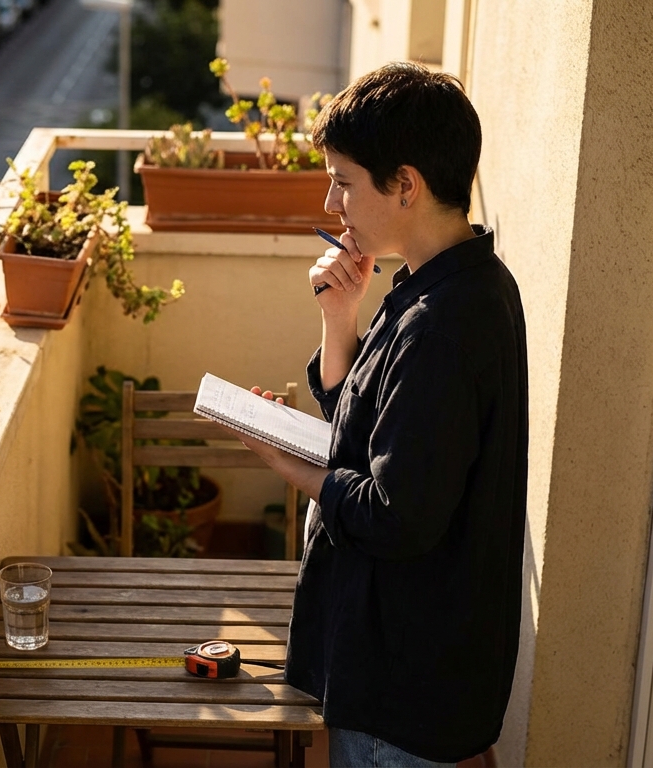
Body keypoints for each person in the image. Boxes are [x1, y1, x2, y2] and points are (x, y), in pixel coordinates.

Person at [236, 62, 528, 767]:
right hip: (404, 677)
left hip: (402, 695)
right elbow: (372, 432)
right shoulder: (447, 286)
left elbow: (397, 513)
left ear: (405, 184)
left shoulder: (445, 324)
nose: (332, 202)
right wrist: (341, 317)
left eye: (343, 179)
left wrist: (292, 466)